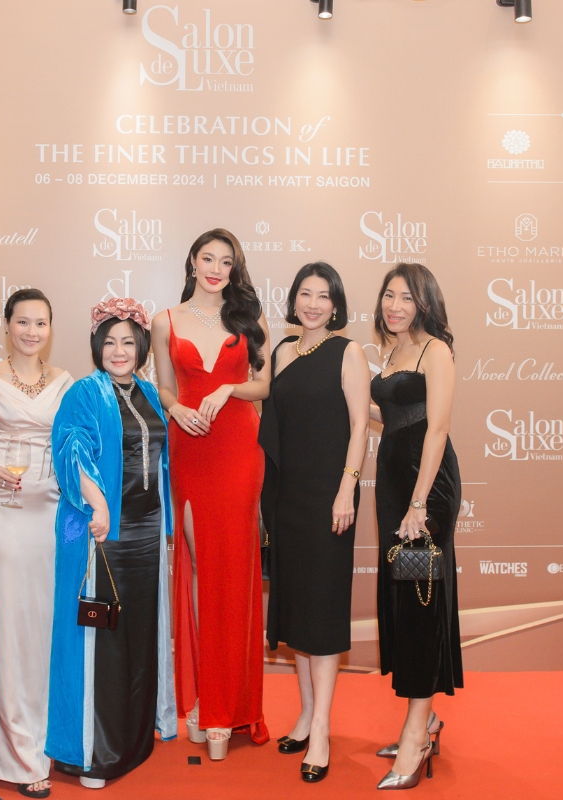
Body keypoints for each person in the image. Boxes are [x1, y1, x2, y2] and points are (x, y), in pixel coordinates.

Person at [46, 298, 178, 789]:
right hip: (103, 535)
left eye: (127, 342)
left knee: (138, 636)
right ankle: (95, 754)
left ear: (142, 346)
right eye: (109, 342)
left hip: (147, 536)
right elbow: (70, 448)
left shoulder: (149, 392)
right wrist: (99, 505)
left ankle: (133, 740)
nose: (118, 351)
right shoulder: (85, 391)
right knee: (101, 641)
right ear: (96, 346)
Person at [151, 228, 271, 760]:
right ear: (193, 263)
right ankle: (203, 698)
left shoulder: (249, 320)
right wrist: (176, 408)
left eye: (226, 261)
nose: (216, 269)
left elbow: (266, 385)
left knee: (232, 574)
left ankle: (226, 707)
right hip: (190, 447)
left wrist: (229, 387)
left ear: (234, 269)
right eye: (208, 258)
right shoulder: (165, 321)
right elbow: (164, 386)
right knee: (199, 569)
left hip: (238, 448)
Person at [258, 262, 370, 784]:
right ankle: (304, 716)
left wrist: (347, 489)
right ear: (294, 299)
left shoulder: (348, 353)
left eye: (323, 296)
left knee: (321, 615)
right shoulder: (281, 352)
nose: (313, 303)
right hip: (286, 500)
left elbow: (360, 426)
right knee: (298, 612)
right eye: (305, 293)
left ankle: (321, 728)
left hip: (330, 500)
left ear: (336, 304)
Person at [369, 263, 463, 791]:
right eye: (389, 295)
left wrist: (419, 504)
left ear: (424, 302)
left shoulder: (435, 351)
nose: (395, 306)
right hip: (392, 489)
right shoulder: (392, 352)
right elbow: (394, 417)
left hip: (425, 492)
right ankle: (426, 719)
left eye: (406, 297)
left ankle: (415, 736)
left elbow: (437, 427)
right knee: (405, 601)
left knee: (421, 603)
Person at [0, 289, 72, 799]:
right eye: (22, 322)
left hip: (51, 515)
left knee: (43, 633)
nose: (32, 331)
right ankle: (16, 755)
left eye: (41, 323)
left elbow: (76, 447)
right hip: (0, 510)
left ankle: (45, 740)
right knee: (10, 634)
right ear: (7, 325)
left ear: (51, 328)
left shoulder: (66, 383)